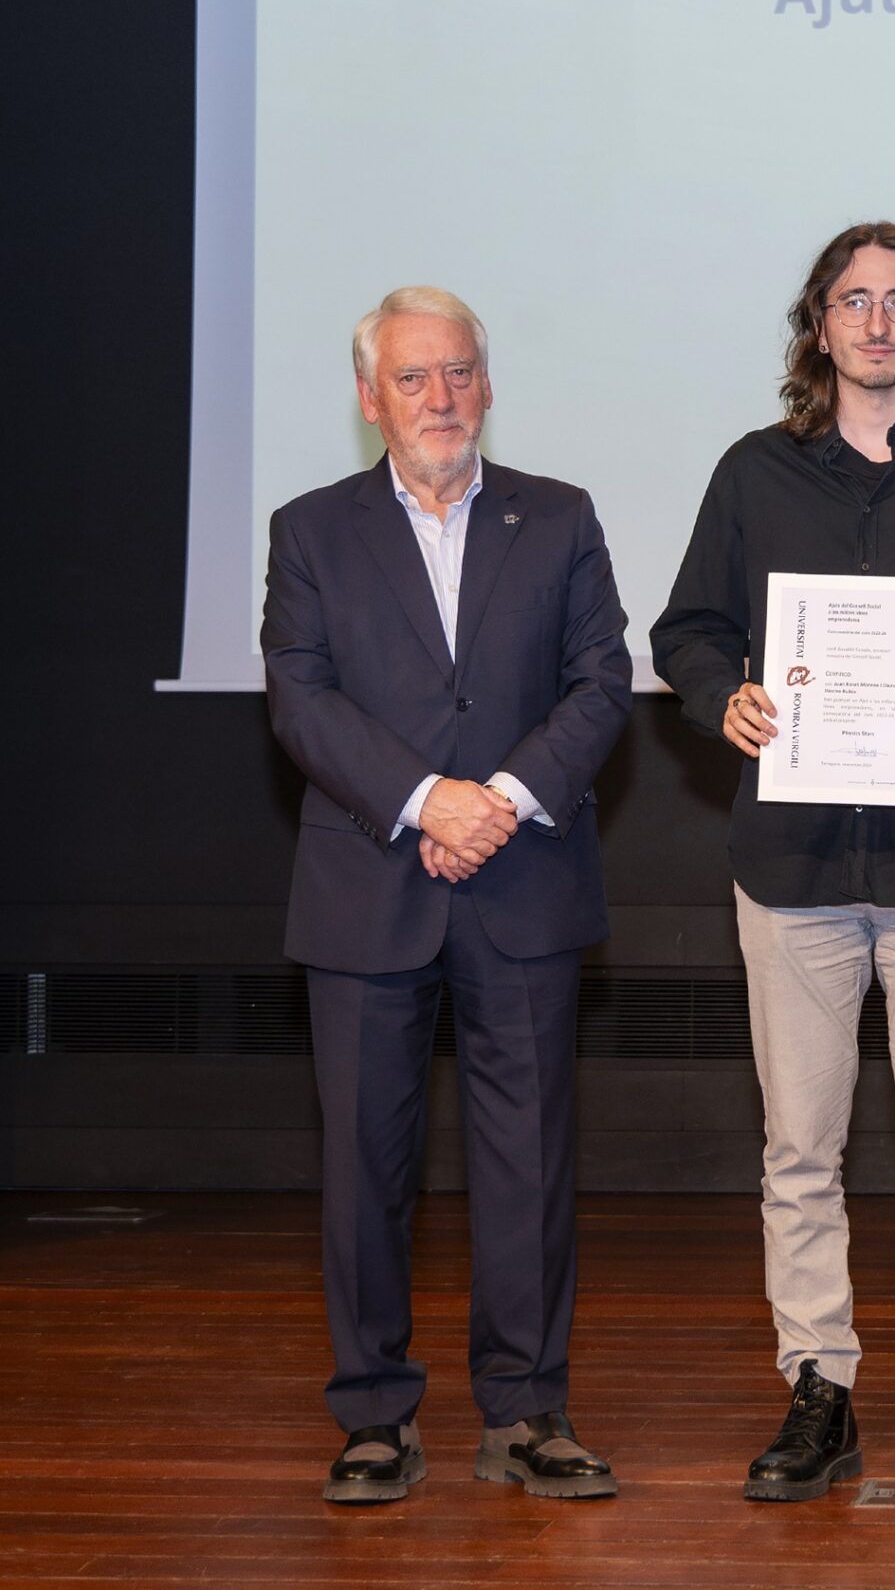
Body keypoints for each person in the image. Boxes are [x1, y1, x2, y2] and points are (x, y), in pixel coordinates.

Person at [650, 222, 895, 1504]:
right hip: (794, 866)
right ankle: (817, 1383)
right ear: (818, 325)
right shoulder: (752, 472)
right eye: (853, 301)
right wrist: (721, 696)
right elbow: (687, 629)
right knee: (798, 1154)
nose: (878, 323)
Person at [264, 286, 632, 1503]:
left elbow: (600, 682)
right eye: (414, 378)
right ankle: (373, 1413)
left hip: (522, 880)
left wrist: (500, 801)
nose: (441, 397)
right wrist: (429, 800)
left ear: (488, 384)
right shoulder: (310, 530)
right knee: (364, 1167)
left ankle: (526, 1410)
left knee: (528, 1164)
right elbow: (301, 698)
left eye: (459, 372)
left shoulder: (559, 515)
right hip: (369, 884)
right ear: (370, 398)